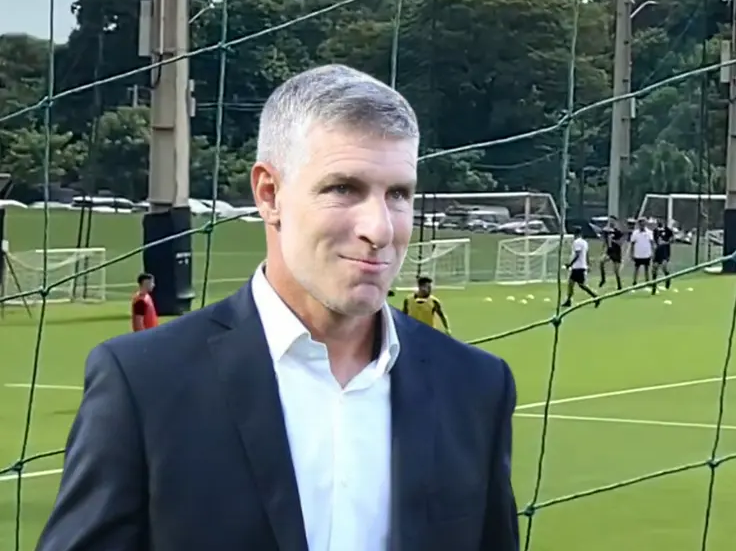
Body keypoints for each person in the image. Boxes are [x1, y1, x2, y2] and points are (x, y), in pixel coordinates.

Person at [37, 65, 519, 551]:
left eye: (398, 194)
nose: (380, 229)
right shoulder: (145, 382)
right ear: (269, 194)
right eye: (343, 188)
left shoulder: (477, 387)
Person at [563, 226, 601, 308]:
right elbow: (586, 254)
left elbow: (577, 255)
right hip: (581, 266)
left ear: (576, 234)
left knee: (581, 285)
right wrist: (588, 264)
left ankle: (596, 296)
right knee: (571, 283)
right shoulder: (584, 242)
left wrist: (570, 264)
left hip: (578, 267)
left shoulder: (577, 242)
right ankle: (568, 300)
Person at [598, 216, 624, 290]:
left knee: (616, 271)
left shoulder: (617, 232)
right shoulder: (606, 230)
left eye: (613, 221)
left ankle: (619, 285)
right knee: (601, 262)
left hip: (616, 252)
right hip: (609, 251)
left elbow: (620, 243)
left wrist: (612, 240)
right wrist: (603, 248)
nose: (611, 222)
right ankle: (603, 279)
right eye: (610, 221)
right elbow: (604, 240)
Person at [628, 217, 655, 286]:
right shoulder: (635, 233)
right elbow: (632, 243)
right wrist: (631, 253)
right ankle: (634, 281)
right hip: (638, 253)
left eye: (643, 223)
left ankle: (647, 281)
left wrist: (653, 252)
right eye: (640, 223)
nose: (642, 225)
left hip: (647, 253)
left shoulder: (649, 232)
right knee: (636, 268)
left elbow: (652, 243)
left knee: (646, 268)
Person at [650, 222, 673, 294]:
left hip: (665, 251)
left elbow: (672, 238)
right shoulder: (655, 231)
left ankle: (668, 279)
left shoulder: (667, 230)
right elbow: (654, 241)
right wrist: (654, 249)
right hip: (658, 251)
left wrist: (666, 242)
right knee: (654, 268)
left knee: (664, 267)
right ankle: (654, 286)